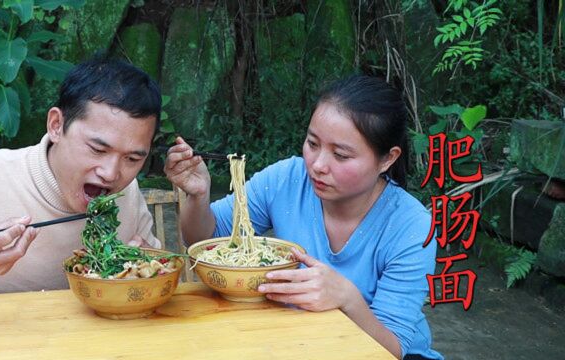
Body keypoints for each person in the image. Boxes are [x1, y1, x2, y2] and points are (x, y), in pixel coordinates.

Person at [165, 74, 442, 359]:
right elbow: (207, 240)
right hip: (301, 344)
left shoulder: (411, 225)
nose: (318, 165)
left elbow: (393, 348)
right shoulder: (287, 179)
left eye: (341, 155)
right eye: (312, 144)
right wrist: (198, 196)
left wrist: (346, 298)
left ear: (387, 159)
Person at [0, 58, 162, 359]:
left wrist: (142, 270)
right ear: (56, 125)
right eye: (98, 149)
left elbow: (156, 286)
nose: (112, 173)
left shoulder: (125, 194)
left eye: (132, 159)